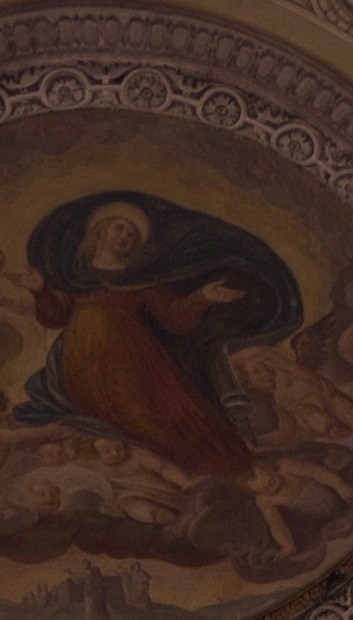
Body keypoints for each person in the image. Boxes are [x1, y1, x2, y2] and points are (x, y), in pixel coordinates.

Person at [17, 194, 301, 481]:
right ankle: (192, 478)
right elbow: (55, 318)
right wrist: (40, 291)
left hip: (135, 365)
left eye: (132, 234)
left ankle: (230, 476)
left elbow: (174, 319)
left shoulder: (142, 278)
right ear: (99, 233)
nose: (125, 236)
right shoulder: (74, 278)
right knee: (136, 425)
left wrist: (203, 297)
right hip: (84, 368)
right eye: (118, 228)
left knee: (172, 420)